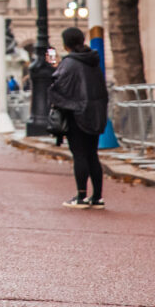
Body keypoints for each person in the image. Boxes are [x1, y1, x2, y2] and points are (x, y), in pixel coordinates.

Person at [50, 27, 111, 209]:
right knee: (92, 154)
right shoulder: (93, 61)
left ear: (66, 43)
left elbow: (57, 88)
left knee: (79, 155)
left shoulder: (69, 63)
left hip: (76, 113)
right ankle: (97, 197)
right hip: (96, 113)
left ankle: (81, 196)